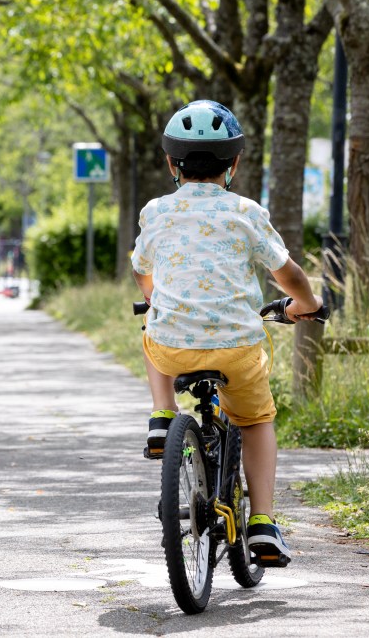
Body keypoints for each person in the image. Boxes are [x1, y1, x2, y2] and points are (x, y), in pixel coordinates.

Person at [131, 100, 323, 567]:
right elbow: (287, 273)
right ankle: (262, 522)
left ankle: (162, 416)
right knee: (255, 420)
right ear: (234, 163)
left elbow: (142, 271)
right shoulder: (247, 212)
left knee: (151, 332)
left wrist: (158, 297)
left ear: (171, 163)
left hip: (174, 348)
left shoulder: (155, 211)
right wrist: (308, 304)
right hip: (237, 348)